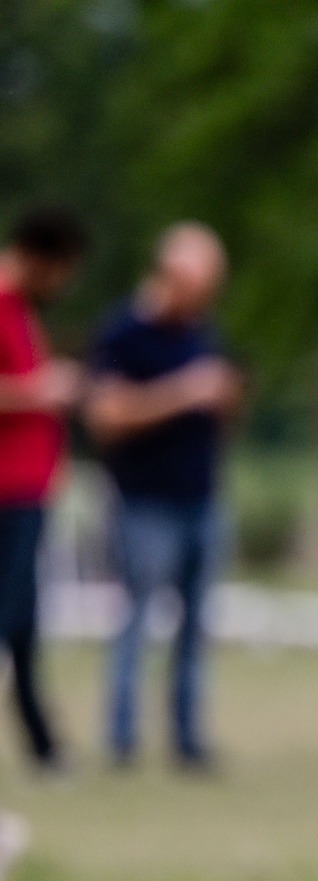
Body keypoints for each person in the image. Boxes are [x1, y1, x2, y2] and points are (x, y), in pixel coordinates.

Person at [85, 223, 239, 771]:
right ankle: (122, 738)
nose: (204, 299)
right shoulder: (123, 333)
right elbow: (105, 415)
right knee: (137, 619)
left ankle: (188, 739)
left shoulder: (202, 332)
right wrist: (182, 393)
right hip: (143, 500)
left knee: (196, 626)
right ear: (171, 276)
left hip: (202, 496)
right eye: (198, 286)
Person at [0, 207, 88, 775]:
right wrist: (42, 389)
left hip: (31, 486)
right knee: (9, 614)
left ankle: (43, 744)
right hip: (6, 489)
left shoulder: (24, 311)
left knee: (26, 619)